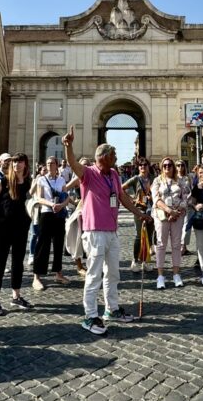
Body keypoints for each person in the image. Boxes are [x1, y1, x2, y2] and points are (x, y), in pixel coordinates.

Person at [62, 128, 150, 336]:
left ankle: (111, 309)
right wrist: (68, 146)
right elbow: (74, 164)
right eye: (114, 155)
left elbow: (122, 198)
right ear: (104, 157)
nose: (117, 158)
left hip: (111, 231)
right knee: (94, 275)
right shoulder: (88, 173)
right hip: (94, 232)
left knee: (113, 273)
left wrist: (139, 213)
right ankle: (90, 315)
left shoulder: (114, 174)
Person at [0, 154, 33, 315]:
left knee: (18, 262)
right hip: (3, 227)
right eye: (14, 162)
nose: (16, 164)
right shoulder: (4, 181)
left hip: (21, 227)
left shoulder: (27, 183)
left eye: (20, 162)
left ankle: (16, 296)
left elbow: (32, 201)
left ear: (25, 165)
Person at [151, 157, 189, 288]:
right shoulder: (157, 181)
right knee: (161, 244)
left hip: (178, 215)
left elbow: (185, 197)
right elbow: (156, 198)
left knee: (176, 245)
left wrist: (176, 211)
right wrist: (168, 211)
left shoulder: (180, 181)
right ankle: (160, 276)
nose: (167, 167)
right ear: (162, 168)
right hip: (162, 215)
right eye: (164, 165)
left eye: (169, 165)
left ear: (173, 167)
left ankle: (176, 274)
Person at [32, 156, 69, 288]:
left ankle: (58, 273)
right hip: (46, 214)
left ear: (56, 165)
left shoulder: (61, 180)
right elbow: (39, 198)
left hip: (59, 215)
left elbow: (67, 197)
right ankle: (37, 276)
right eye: (47, 163)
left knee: (59, 244)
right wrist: (51, 204)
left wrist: (61, 205)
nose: (49, 165)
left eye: (51, 163)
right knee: (43, 245)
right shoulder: (41, 179)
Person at [122, 159, 156, 272]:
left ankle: (145, 261)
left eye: (145, 164)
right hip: (139, 210)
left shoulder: (153, 178)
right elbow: (121, 188)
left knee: (149, 235)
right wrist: (131, 199)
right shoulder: (136, 179)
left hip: (152, 209)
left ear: (148, 166)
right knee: (138, 235)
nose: (142, 167)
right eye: (140, 165)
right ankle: (135, 260)